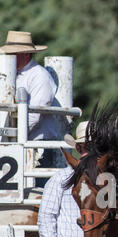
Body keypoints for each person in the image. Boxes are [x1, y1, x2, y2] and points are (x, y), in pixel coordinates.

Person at [0, 31, 58, 186]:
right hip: (22, 145)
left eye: (14, 53)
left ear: (25, 54)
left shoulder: (39, 75)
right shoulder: (15, 76)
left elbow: (35, 115)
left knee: (38, 192)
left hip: (38, 146)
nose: (9, 57)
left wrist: (13, 136)